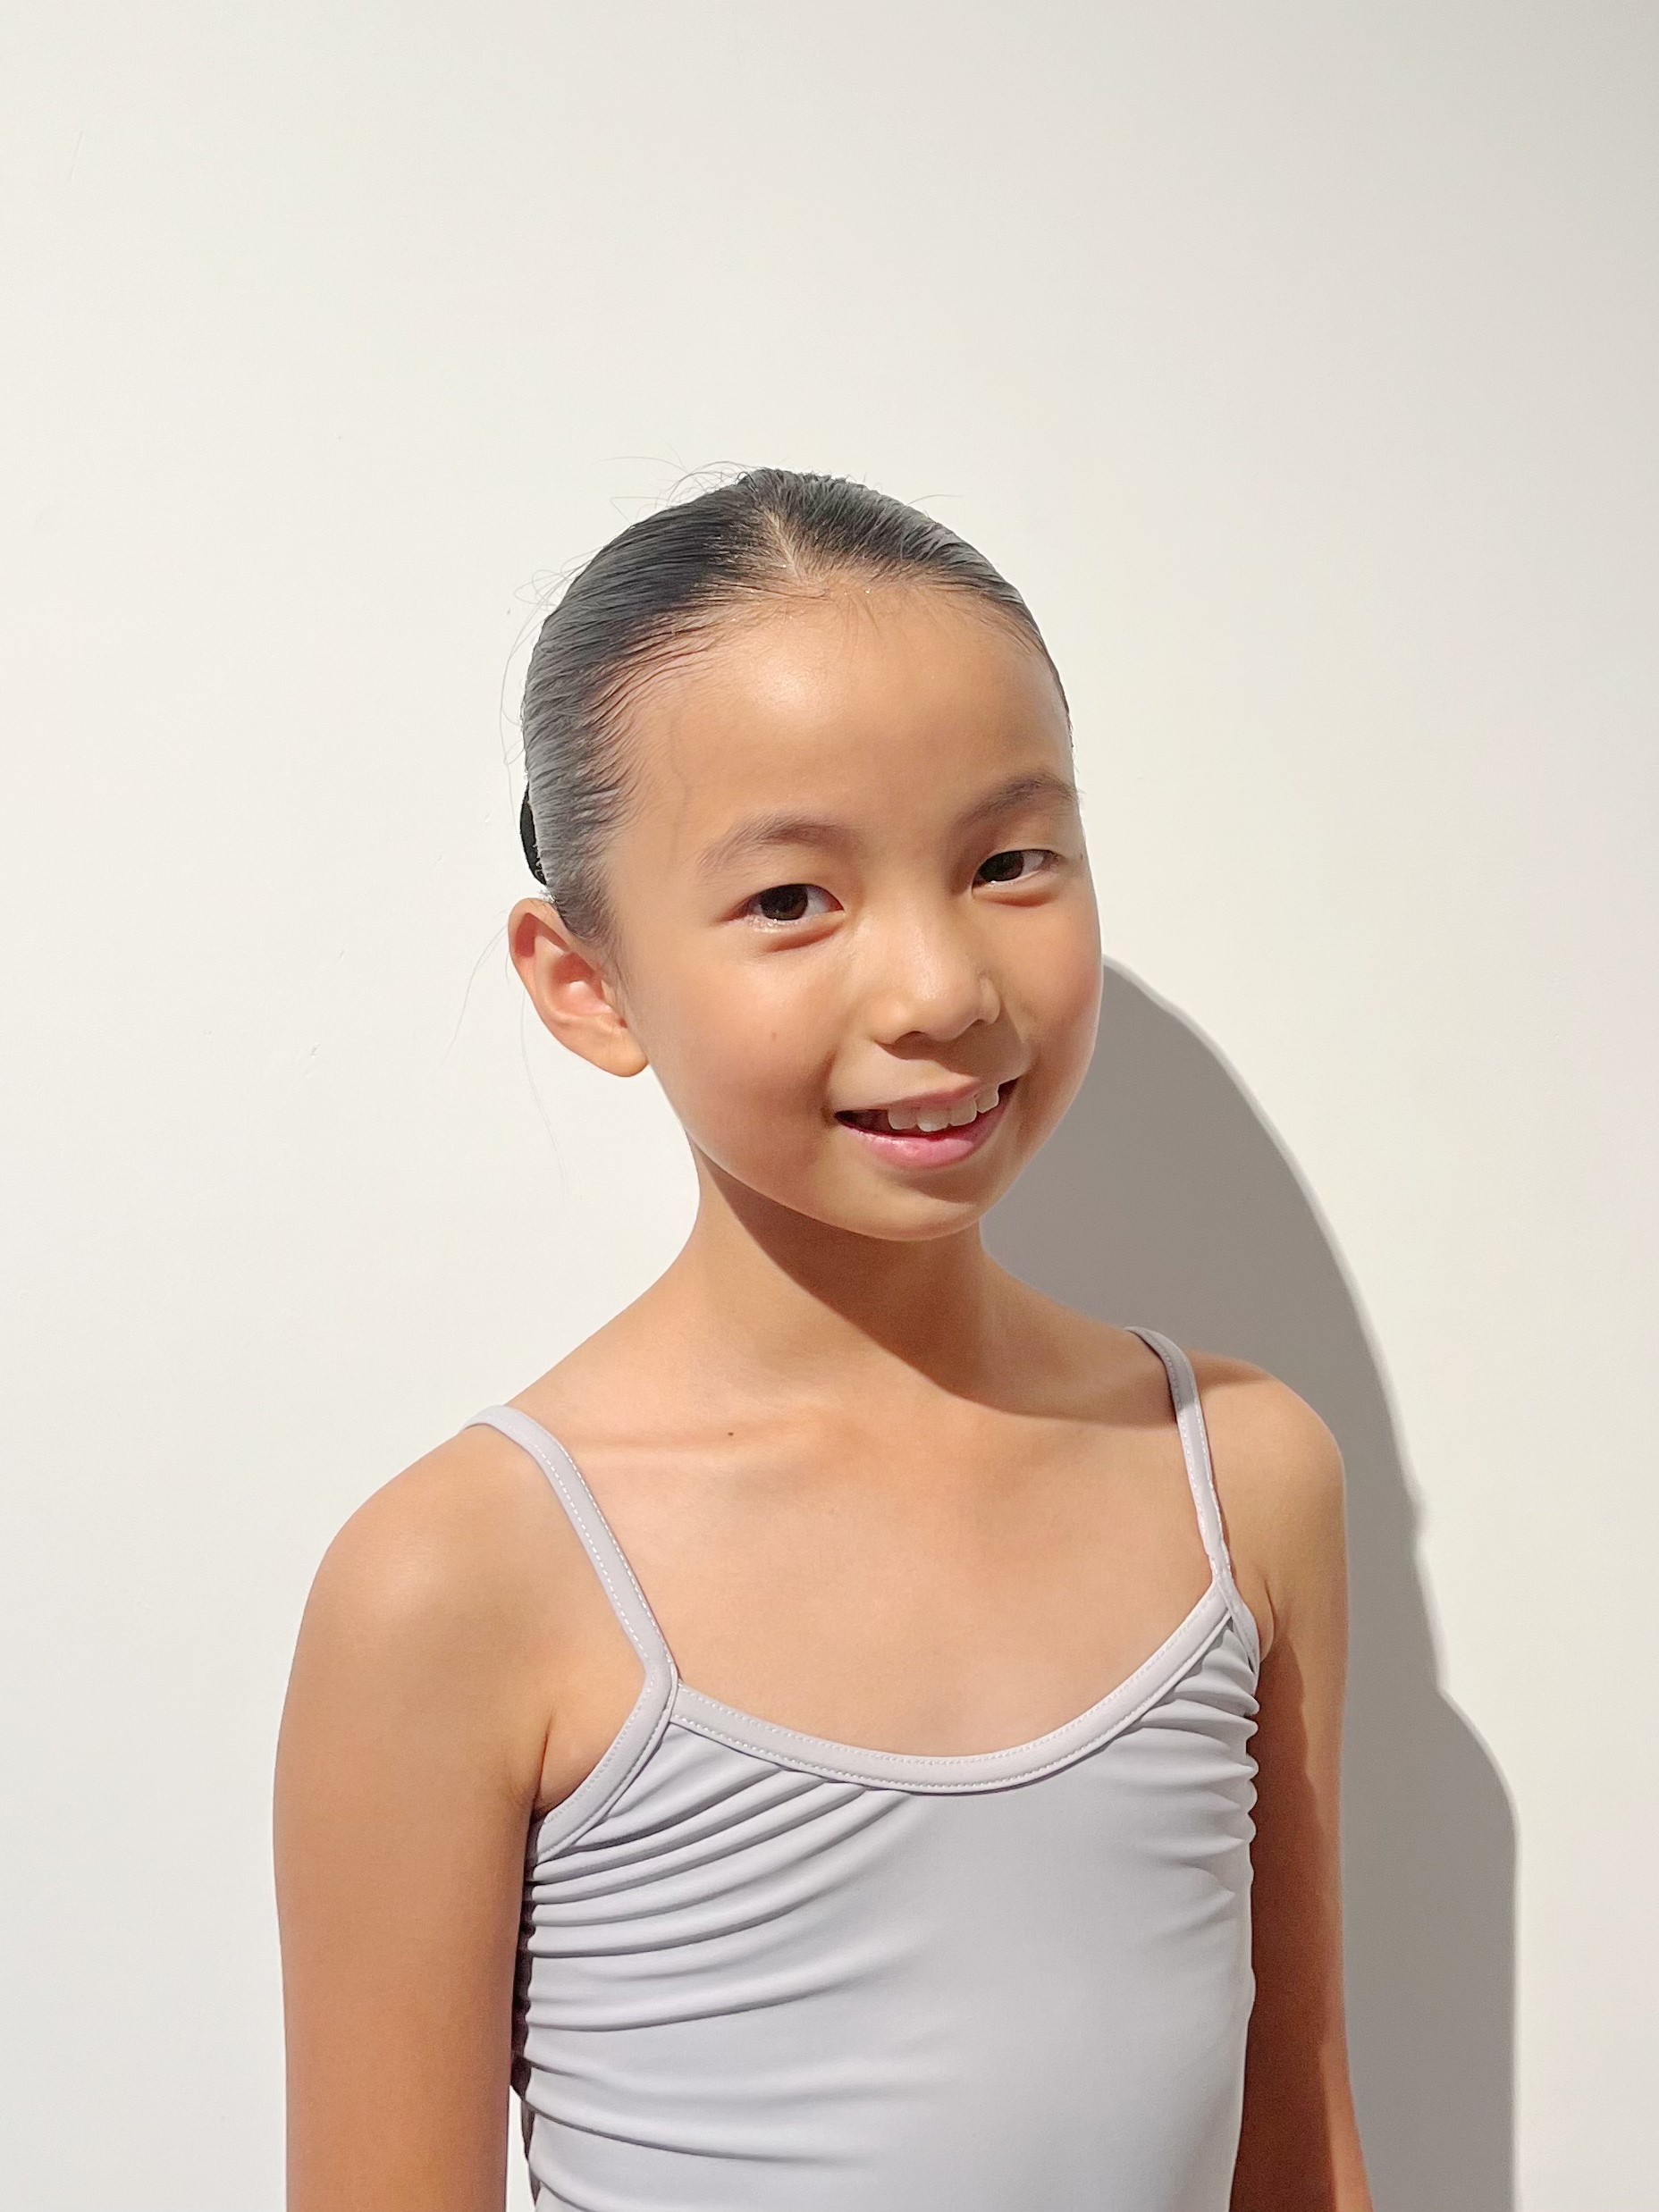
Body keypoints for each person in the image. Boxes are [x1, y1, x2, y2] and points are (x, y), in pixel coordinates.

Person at [274, 469, 1374, 2211]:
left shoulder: (1242, 1482)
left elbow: (1299, 2149)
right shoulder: (458, 1583)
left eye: (1008, 862)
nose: (940, 987)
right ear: (586, 981)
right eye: (793, 899)